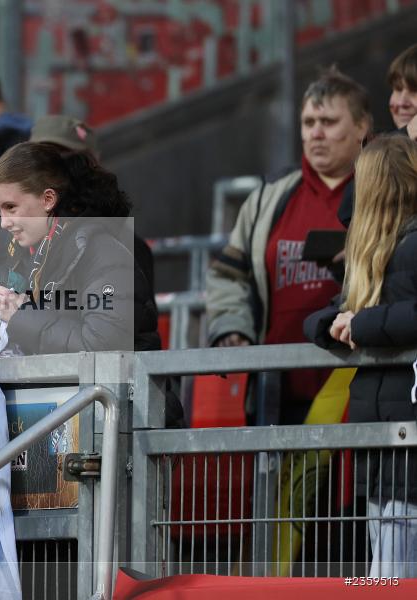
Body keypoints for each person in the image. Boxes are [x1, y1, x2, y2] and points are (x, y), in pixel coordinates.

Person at [205, 68, 371, 424]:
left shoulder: (382, 193)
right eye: (308, 122)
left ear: (362, 127)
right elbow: (227, 276)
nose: (316, 133)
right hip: (275, 389)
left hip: (355, 384)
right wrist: (233, 327)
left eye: (329, 121)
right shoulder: (269, 196)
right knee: (280, 483)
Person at [304, 135, 417, 577]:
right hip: (383, 452)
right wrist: (332, 325)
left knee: (390, 580)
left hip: (405, 452)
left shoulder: (409, 246)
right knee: (382, 577)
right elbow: (328, 313)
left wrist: (362, 324)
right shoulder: (377, 255)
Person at [0, 141, 160, 353]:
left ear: (48, 199)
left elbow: (101, 348)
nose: (3, 223)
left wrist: (20, 315)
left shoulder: (102, 253)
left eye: (11, 208)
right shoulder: (18, 257)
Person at [29, 114, 156, 298]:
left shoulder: (123, 246)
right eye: (40, 158)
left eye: (67, 159)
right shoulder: (14, 234)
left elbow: (122, 321)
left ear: (93, 164)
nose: (51, 169)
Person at [337, 44, 417, 228]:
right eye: (397, 89)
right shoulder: (385, 142)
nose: (401, 102)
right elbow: (348, 213)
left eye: (414, 90)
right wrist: (404, 137)